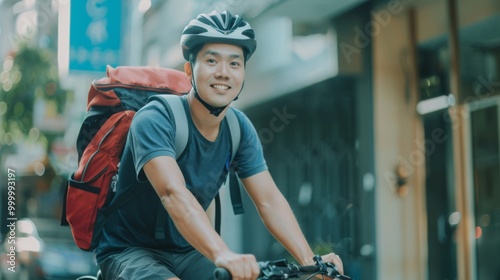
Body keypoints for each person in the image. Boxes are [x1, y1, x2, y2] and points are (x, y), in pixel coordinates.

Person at [95, 10, 344, 280]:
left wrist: (312, 263)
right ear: (189, 69)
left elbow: (269, 200)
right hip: (129, 251)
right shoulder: (155, 118)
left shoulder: (239, 129)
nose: (223, 73)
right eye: (212, 60)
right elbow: (173, 193)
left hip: (187, 253)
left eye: (234, 64)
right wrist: (223, 253)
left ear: (244, 73)